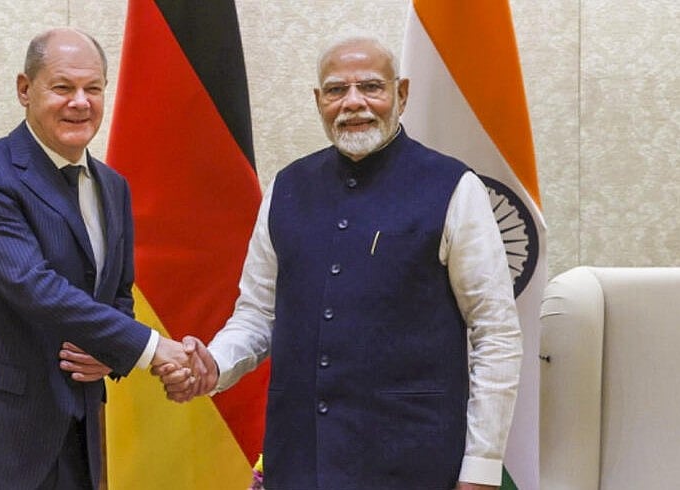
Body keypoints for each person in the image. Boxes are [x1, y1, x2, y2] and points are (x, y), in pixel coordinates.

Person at [159, 36, 523, 490]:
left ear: (402, 94)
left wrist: (482, 466)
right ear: (318, 101)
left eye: (371, 87)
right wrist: (214, 364)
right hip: (301, 461)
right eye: (336, 90)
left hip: (416, 465)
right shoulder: (286, 188)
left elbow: (495, 332)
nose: (353, 103)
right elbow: (256, 315)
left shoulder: (454, 186)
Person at [0, 27, 193, 490]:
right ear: (25, 90)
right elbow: (35, 287)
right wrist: (150, 349)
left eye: (93, 89)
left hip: (78, 436)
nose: (80, 102)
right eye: (63, 87)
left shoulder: (113, 187)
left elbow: (116, 293)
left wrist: (108, 354)